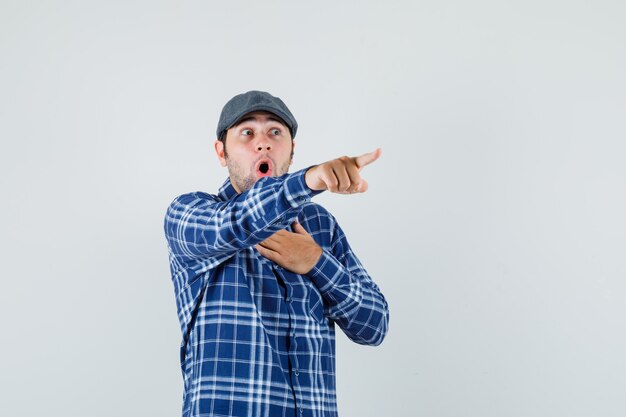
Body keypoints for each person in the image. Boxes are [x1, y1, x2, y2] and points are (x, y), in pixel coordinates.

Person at [163, 90, 389, 417]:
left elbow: (374, 325)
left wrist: (317, 263)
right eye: (247, 133)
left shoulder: (320, 226)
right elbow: (238, 221)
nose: (263, 143)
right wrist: (310, 179)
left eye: (275, 132)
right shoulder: (191, 214)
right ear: (221, 152)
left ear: (292, 150)